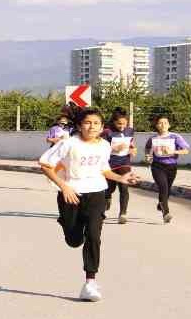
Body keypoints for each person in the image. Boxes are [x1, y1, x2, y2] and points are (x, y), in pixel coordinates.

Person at [39, 108, 138, 302]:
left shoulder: (104, 146)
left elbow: (103, 169)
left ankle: (90, 282)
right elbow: (45, 164)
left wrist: (121, 178)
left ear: (102, 127)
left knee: (93, 235)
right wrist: (64, 187)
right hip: (71, 194)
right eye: (87, 122)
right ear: (79, 125)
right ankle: (67, 224)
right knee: (74, 240)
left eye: (96, 123)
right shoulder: (68, 144)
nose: (91, 126)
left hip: (96, 194)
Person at [144, 113, 191, 224]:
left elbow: (186, 150)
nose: (163, 125)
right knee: (163, 187)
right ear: (156, 125)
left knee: (167, 189)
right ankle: (166, 213)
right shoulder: (153, 138)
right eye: (160, 123)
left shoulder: (175, 137)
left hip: (171, 166)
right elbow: (147, 148)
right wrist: (147, 156)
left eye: (165, 123)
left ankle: (161, 203)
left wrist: (173, 151)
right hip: (157, 166)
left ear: (169, 125)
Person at [100, 108, 136, 224]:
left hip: (124, 163)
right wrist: (113, 148)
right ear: (114, 122)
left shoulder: (130, 131)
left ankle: (123, 214)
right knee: (109, 189)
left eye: (124, 124)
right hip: (109, 165)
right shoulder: (107, 132)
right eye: (119, 123)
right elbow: (99, 148)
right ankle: (108, 197)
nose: (122, 126)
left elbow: (131, 143)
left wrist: (132, 149)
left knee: (124, 187)